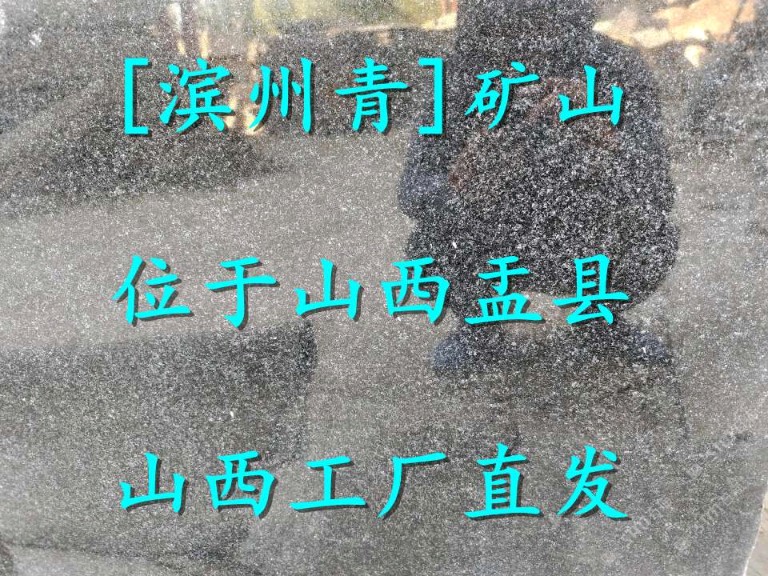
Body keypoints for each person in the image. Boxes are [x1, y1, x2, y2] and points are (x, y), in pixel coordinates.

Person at [399, 0, 678, 370]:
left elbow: (658, 188)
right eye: (510, 28)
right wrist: (465, 184)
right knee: (430, 244)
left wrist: (611, 142)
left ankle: (600, 321)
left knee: (652, 236)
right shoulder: (457, 77)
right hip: (492, 234)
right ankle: (480, 330)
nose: (529, 48)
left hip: (589, 229)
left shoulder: (616, 67)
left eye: (541, 23)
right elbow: (413, 189)